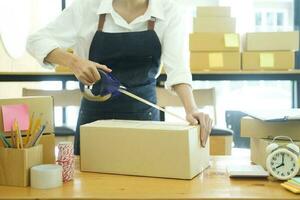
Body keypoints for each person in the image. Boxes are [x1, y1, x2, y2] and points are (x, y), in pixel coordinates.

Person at [27, 0, 213, 155]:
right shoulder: (87, 7)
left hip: (144, 118)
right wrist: (74, 62)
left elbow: (178, 68)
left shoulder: (168, 10)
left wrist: (192, 109)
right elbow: (36, 41)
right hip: (94, 121)